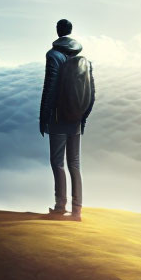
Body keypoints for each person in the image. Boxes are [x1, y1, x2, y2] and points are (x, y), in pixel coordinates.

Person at [38, 18, 95, 221]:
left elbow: (50, 88)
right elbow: (91, 93)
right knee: (74, 164)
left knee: (57, 163)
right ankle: (77, 210)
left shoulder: (53, 56)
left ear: (57, 31)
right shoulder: (84, 60)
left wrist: (43, 117)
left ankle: (60, 206)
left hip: (58, 118)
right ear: (70, 32)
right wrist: (83, 117)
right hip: (76, 120)